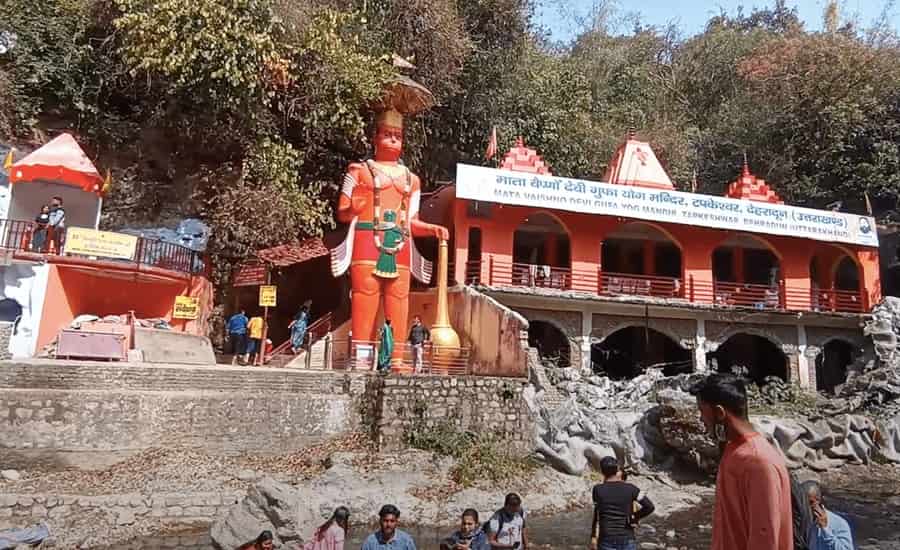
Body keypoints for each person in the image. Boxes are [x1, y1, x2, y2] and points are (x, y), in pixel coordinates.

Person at [690, 373, 793, 550]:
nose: (701, 419)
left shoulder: (758, 462)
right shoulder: (734, 450)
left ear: (720, 412)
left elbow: (764, 539)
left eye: (702, 411)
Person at [590, 456, 655, 550]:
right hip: (627, 538)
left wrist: (593, 536)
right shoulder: (631, 488)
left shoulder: (597, 490)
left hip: (606, 539)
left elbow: (598, 512)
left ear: (602, 472)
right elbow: (650, 506)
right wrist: (634, 517)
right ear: (616, 470)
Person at [801, 481, 854, 550]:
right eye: (802, 502)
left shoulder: (839, 523)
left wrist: (825, 529)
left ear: (819, 500)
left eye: (810, 502)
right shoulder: (803, 523)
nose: (806, 506)